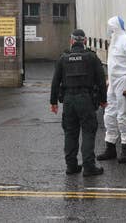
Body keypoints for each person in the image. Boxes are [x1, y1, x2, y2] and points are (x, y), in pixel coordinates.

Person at [50, 29, 107, 176]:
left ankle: (71, 166)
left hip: (68, 100)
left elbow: (55, 81)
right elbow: (101, 80)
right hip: (86, 99)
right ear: (85, 41)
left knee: (70, 133)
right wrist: (103, 100)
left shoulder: (63, 58)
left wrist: (53, 102)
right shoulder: (92, 57)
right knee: (88, 132)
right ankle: (88, 167)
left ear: (71, 41)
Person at [97, 16, 126, 164]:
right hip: (114, 82)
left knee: (123, 116)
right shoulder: (114, 40)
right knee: (109, 114)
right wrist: (109, 79)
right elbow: (113, 62)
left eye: (110, 27)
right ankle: (110, 147)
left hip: (124, 81)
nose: (109, 30)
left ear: (115, 27)